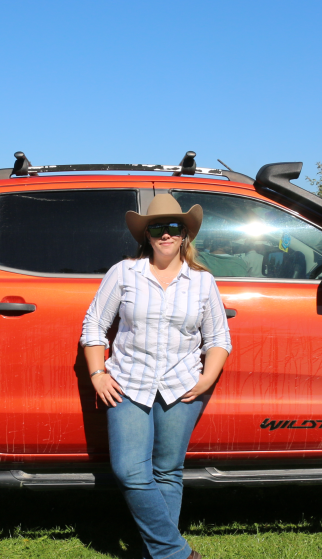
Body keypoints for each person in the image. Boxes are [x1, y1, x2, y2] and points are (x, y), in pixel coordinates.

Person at [81, 194, 232, 559]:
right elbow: (94, 327)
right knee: (130, 470)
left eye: (174, 228)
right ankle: (175, 553)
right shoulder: (124, 273)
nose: (166, 235)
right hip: (129, 382)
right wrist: (98, 373)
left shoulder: (202, 281)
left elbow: (218, 339)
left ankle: (157, 553)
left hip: (183, 386)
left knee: (167, 471)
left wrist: (206, 379)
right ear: (146, 236)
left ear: (185, 235)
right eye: (157, 228)